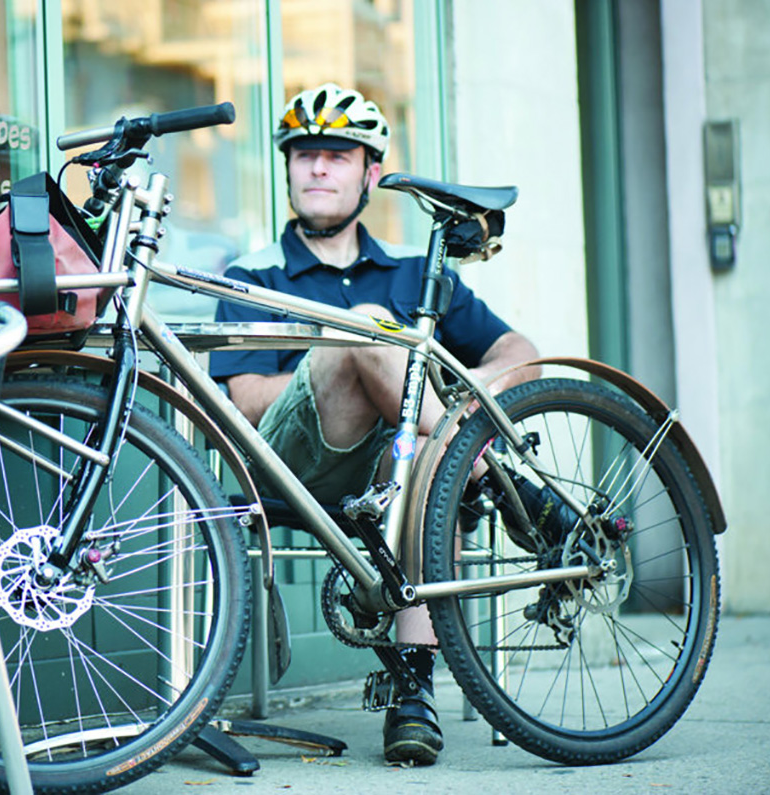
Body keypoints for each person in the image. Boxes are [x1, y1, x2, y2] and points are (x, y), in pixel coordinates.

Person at [208, 83, 541, 766]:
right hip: (296, 466)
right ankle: (504, 484)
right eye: (304, 155)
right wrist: (347, 361)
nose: (318, 169)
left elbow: (521, 355)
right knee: (365, 332)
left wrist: (456, 418)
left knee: (422, 453)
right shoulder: (253, 273)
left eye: (337, 154)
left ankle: (411, 690)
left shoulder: (416, 272)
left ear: (371, 172)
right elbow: (244, 402)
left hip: (401, 466)